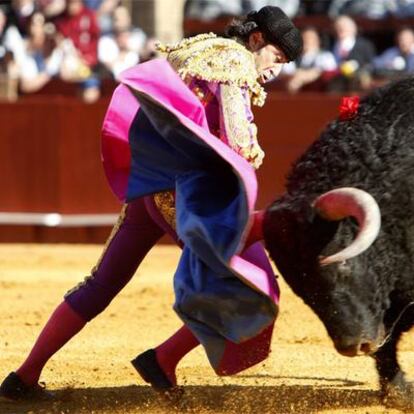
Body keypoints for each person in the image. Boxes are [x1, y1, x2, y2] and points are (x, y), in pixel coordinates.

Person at [0, 6, 303, 400]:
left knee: (101, 283)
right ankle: (163, 359)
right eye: (276, 59)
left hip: (150, 187)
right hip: (184, 196)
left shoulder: (200, 47)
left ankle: (23, 377)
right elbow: (239, 143)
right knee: (250, 280)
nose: (275, 71)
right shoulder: (234, 60)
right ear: (257, 40)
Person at [286, 26, 337, 93]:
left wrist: (300, 79)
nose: (308, 41)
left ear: (318, 41)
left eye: (311, 38)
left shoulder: (326, 56)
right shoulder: (292, 57)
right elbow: (286, 73)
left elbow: (323, 73)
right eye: (305, 38)